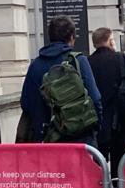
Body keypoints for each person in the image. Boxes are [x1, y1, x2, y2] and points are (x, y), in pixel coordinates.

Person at [20, 15, 101, 145]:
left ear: (50, 37)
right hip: (80, 138)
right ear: (72, 38)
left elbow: (26, 103)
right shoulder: (79, 61)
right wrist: (94, 129)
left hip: (47, 139)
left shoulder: (36, 65)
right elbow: (95, 98)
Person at [89, 28, 125, 178]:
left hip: (97, 122)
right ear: (110, 41)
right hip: (122, 120)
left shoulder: (87, 63)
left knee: (97, 162)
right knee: (120, 163)